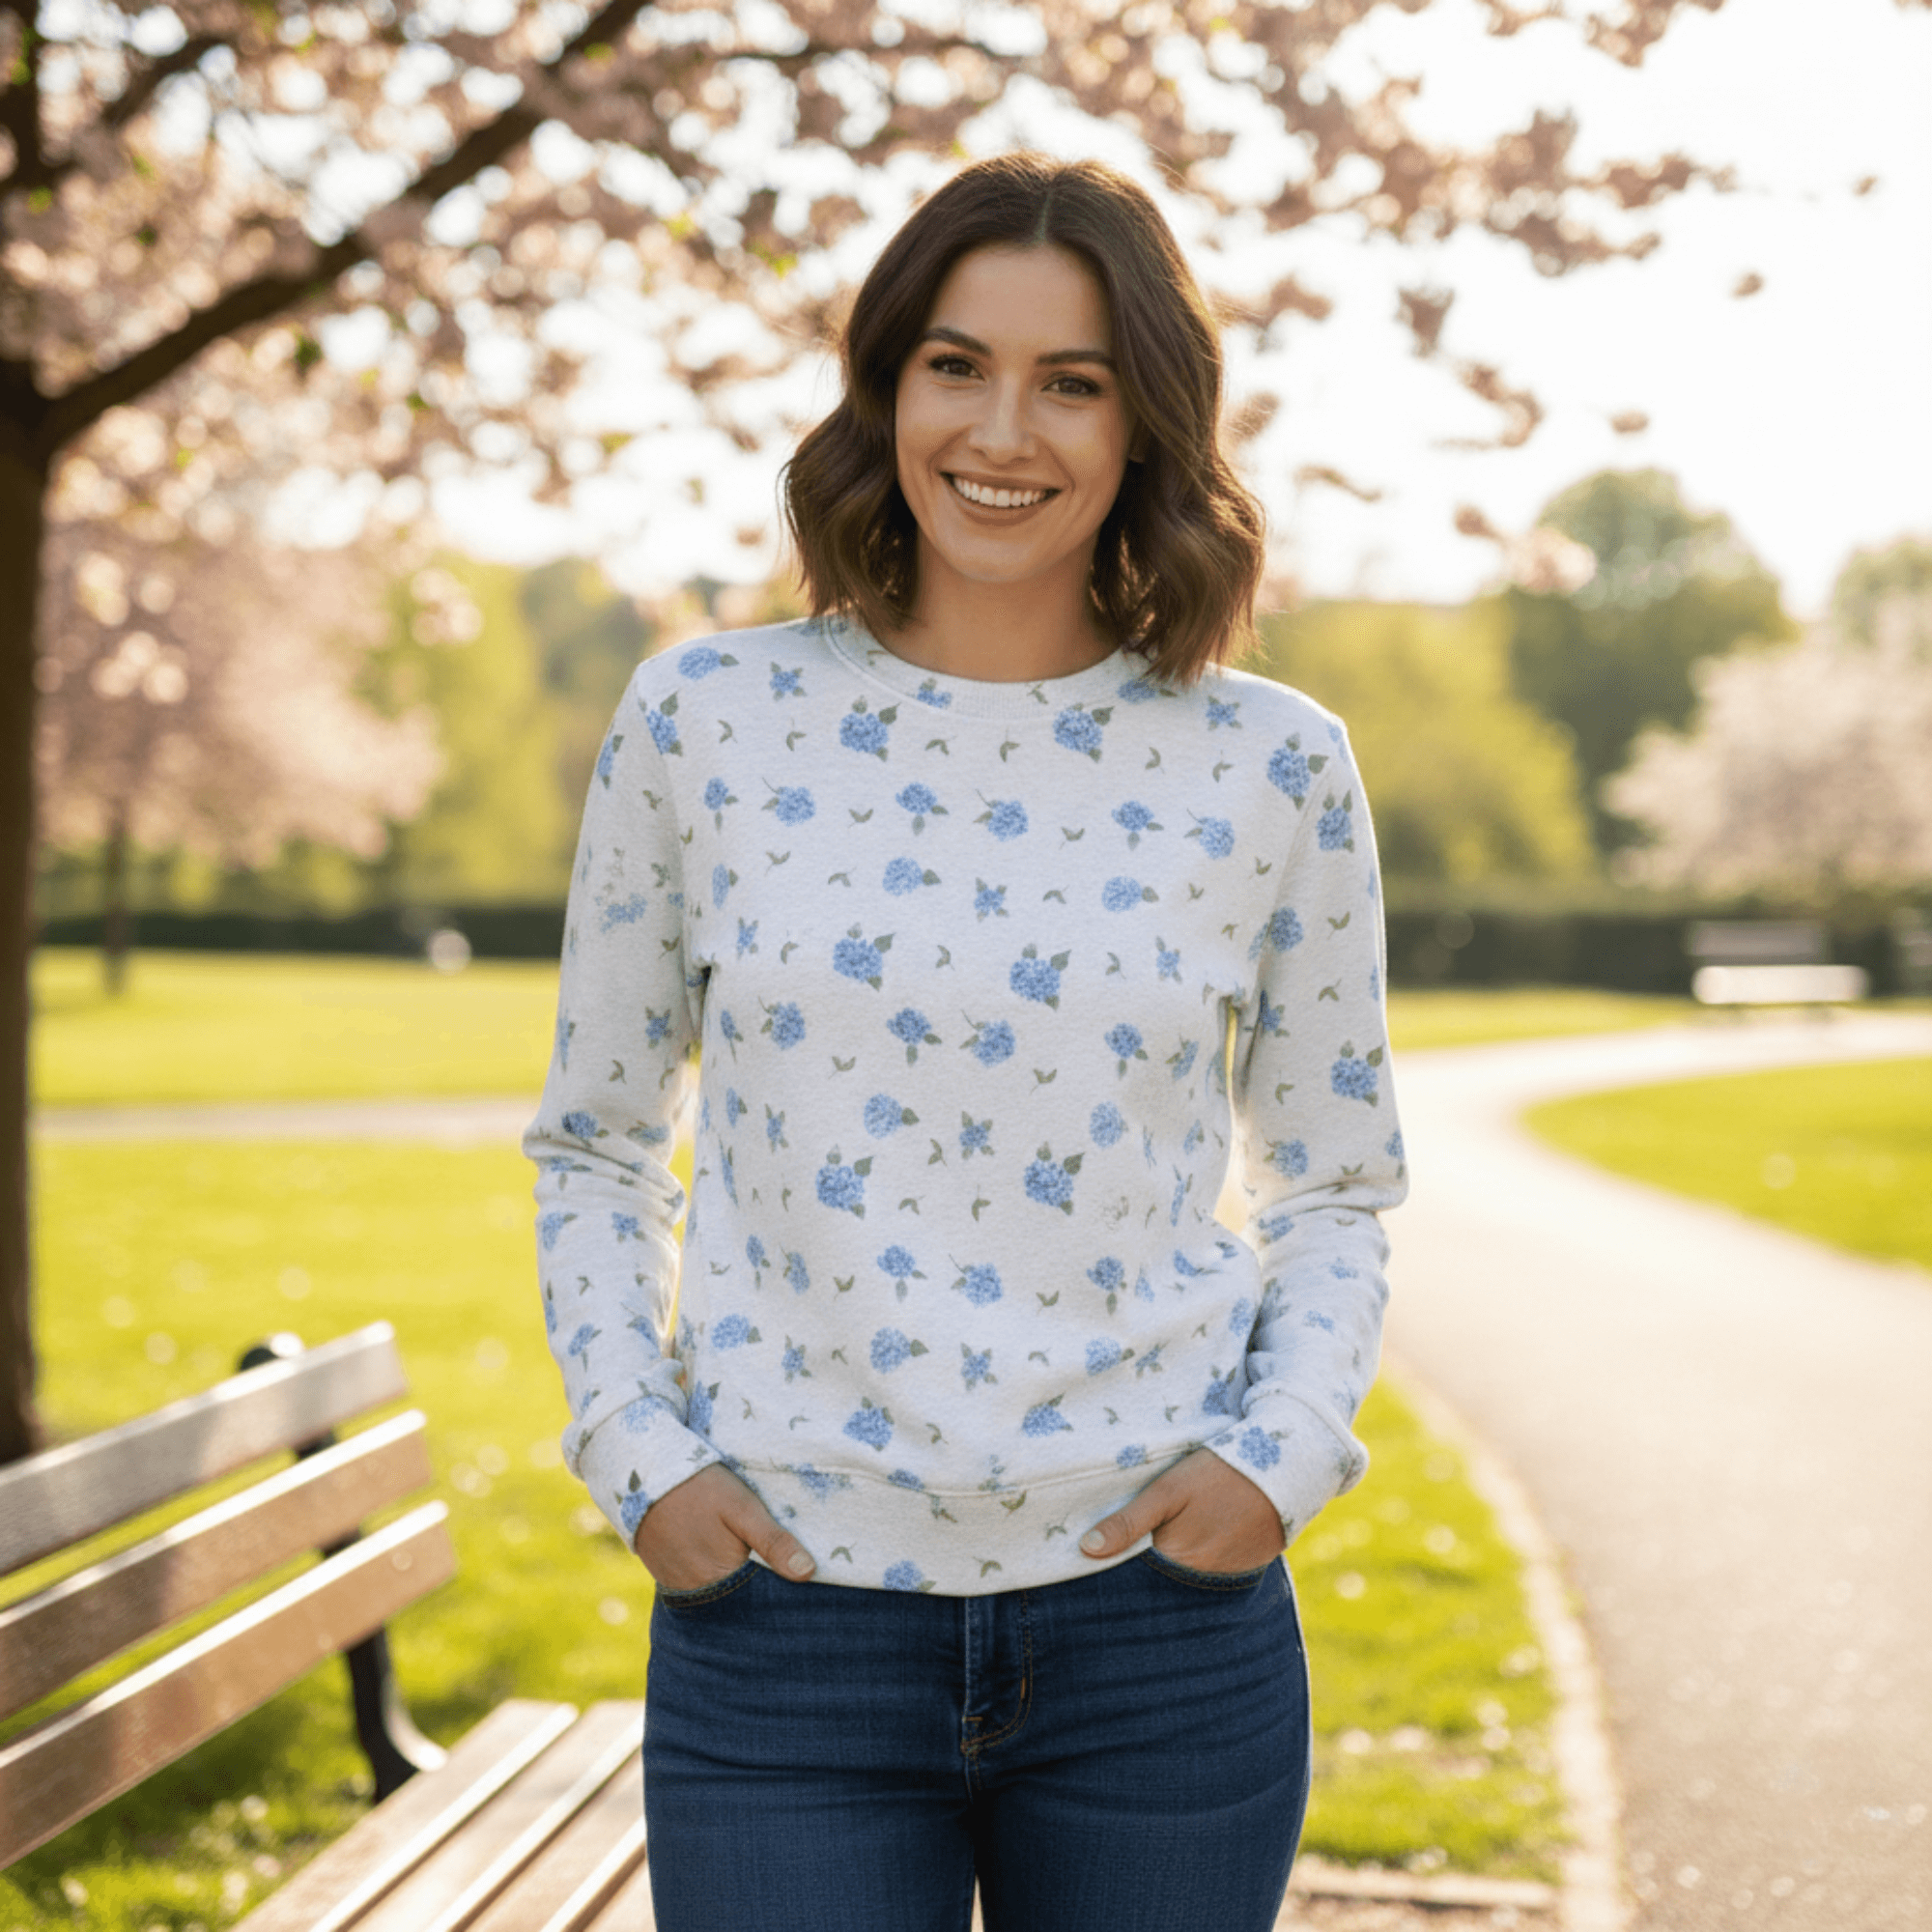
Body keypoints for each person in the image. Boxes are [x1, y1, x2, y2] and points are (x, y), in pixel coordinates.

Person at [526, 151, 1407, 1932]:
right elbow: (599, 1143)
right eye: (956, 363)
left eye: (1072, 382)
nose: (1004, 430)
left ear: (1146, 422)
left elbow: (1334, 1180)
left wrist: (1281, 1455)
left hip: (1158, 1636)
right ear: (886, 387)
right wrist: (640, 1450)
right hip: (784, 1630)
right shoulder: (707, 720)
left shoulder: (1275, 763)